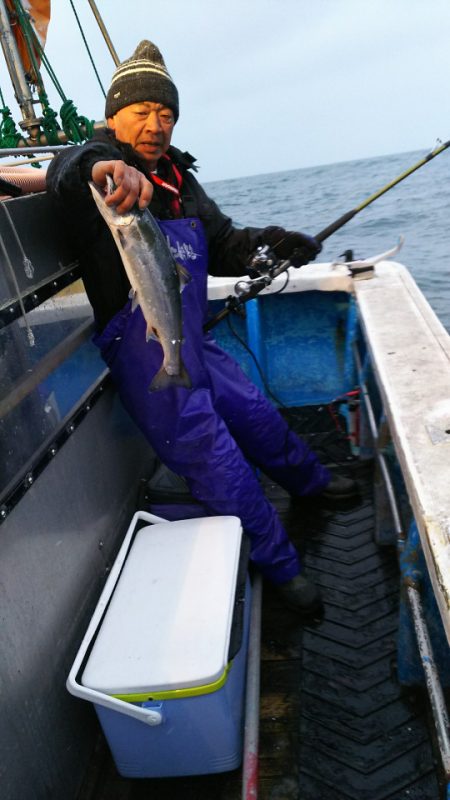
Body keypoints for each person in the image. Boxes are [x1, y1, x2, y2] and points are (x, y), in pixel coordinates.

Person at [46, 40, 356, 616]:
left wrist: (273, 243)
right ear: (114, 115)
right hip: (143, 349)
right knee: (216, 459)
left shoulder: (179, 180)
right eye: (141, 111)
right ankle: (280, 564)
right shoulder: (99, 173)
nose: (155, 125)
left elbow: (224, 243)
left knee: (255, 412)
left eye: (166, 114)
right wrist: (99, 166)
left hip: (191, 335)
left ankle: (310, 482)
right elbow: (65, 171)